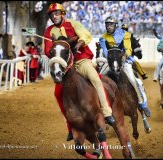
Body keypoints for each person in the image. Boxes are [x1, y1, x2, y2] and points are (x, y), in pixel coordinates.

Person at [44, 3, 115, 141]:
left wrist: (77, 45)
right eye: (52, 15)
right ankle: (70, 126)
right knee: (57, 93)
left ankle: (107, 113)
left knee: (95, 78)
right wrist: (57, 47)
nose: (55, 16)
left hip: (81, 61)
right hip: (65, 67)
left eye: (57, 13)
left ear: (62, 14)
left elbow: (86, 35)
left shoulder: (73, 23)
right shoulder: (49, 31)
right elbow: (47, 50)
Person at [99, 16, 151, 117]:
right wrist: (111, 59)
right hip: (110, 61)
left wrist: (124, 56)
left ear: (115, 25)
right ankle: (100, 106)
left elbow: (128, 49)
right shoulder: (103, 38)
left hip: (124, 61)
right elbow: (105, 52)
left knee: (134, 81)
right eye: (107, 25)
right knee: (98, 79)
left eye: (111, 24)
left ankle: (143, 104)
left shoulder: (125, 34)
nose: (109, 27)